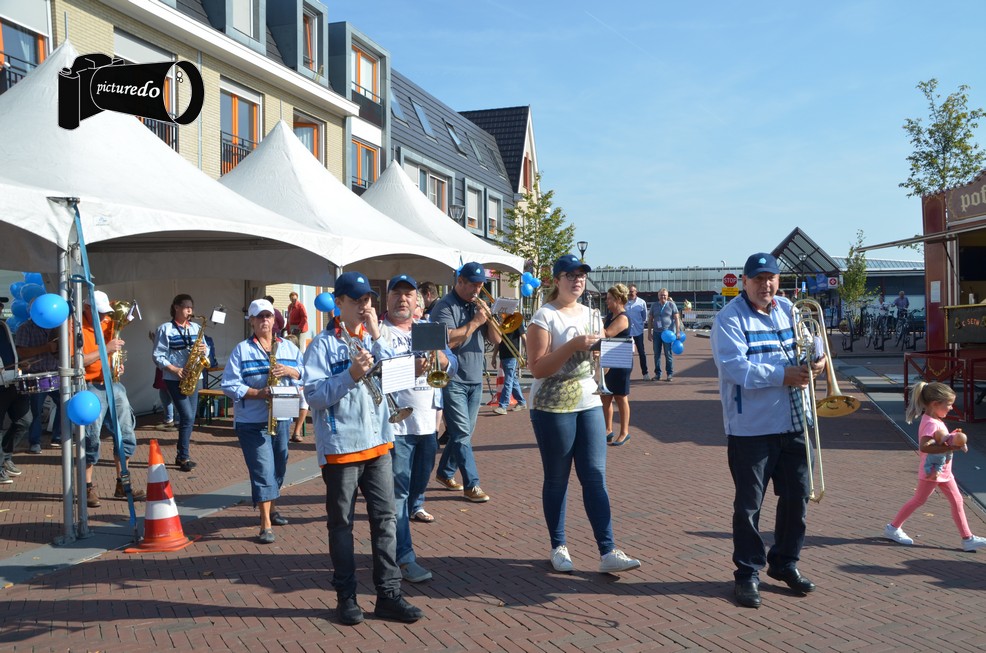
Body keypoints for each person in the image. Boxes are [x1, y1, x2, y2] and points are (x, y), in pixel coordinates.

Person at [303, 271, 422, 625]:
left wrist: (377, 335)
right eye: (356, 300)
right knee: (341, 526)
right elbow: (314, 396)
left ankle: (388, 595)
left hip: (379, 442)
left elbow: (396, 376)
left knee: (386, 521)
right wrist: (350, 375)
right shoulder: (322, 345)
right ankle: (346, 598)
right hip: (342, 447)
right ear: (338, 303)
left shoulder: (375, 338)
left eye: (367, 300)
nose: (363, 306)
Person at [711, 252, 825, 609]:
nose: (765, 285)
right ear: (745, 281)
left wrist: (819, 359)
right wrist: (783, 375)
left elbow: (812, 344)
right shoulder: (728, 319)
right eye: (758, 279)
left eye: (771, 278)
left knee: (797, 498)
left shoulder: (789, 309)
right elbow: (735, 368)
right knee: (749, 506)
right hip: (752, 428)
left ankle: (785, 562)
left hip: (795, 421)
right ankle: (747, 573)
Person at [526, 254, 642, 575]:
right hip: (552, 405)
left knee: (594, 475)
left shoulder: (592, 314)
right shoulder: (544, 316)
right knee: (557, 477)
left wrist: (616, 352)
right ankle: (558, 546)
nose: (577, 280)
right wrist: (573, 345)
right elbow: (537, 368)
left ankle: (608, 549)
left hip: (589, 398)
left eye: (581, 275)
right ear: (557, 280)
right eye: (570, 275)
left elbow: (599, 363)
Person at [379, 274, 457, 584]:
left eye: (408, 295)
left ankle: (391, 543)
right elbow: (377, 374)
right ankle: (405, 557)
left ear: (417, 301)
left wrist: (443, 360)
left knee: (415, 491)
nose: (402, 299)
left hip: (428, 425)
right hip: (397, 427)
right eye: (396, 293)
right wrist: (409, 369)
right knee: (398, 493)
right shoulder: (380, 333)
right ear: (388, 299)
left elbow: (453, 364)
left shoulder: (428, 328)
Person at [222, 299, 303, 544]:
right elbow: (229, 384)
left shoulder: (289, 348)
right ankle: (265, 523)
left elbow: (307, 375)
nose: (264, 320)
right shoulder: (242, 350)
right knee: (263, 469)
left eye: (268, 316)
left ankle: (272, 509)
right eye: (259, 317)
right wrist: (258, 393)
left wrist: (290, 371)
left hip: (282, 415)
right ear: (252, 322)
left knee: (279, 465)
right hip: (252, 420)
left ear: (275, 320)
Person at [882, 381, 986, 551]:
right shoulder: (931, 423)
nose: (951, 408)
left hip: (944, 471)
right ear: (935, 404)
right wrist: (951, 447)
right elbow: (924, 446)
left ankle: (968, 539)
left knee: (957, 500)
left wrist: (952, 438)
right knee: (919, 500)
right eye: (949, 404)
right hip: (932, 471)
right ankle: (892, 528)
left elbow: (939, 440)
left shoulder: (934, 419)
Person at [431, 262, 501, 503]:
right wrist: (476, 322)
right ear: (459, 281)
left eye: (480, 286)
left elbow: (497, 339)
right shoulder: (444, 306)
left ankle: (445, 472)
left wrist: (489, 319)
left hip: (475, 378)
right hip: (454, 379)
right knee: (461, 432)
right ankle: (472, 484)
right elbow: (447, 341)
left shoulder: (478, 306)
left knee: (465, 433)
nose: (477, 290)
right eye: (473, 284)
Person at [81, 290, 145, 507]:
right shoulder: (75, 327)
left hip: (112, 383)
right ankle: (87, 487)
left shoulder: (108, 321)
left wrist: (116, 361)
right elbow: (74, 361)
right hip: (89, 385)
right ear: (87, 308)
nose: (104, 317)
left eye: (104, 312)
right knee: (91, 437)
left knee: (126, 433)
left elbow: (114, 347)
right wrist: (105, 349)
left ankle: (123, 484)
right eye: (99, 312)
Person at [153, 293, 210, 472]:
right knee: (187, 416)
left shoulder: (196, 328)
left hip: (194, 377)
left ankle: (182, 455)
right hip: (174, 378)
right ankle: (183, 456)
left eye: (191, 308)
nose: (190, 311)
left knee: (190, 417)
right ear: (176, 307)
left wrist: (204, 350)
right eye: (186, 308)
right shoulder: (165, 329)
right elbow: (157, 355)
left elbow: (206, 351)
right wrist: (174, 369)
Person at [14, 309, 61, 453]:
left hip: (56, 374)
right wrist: (46, 348)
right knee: (35, 411)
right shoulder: (25, 328)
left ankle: (58, 437)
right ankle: (35, 442)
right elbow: (21, 352)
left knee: (65, 405)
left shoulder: (57, 326)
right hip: (35, 376)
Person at [0, 309, 29, 485]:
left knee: (24, 421)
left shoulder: (3, 327)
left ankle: (5, 456)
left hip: (12, 381)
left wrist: (19, 363)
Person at [601, 284, 632, 446]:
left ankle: (624, 432)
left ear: (619, 299)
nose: (607, 301)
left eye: (609, 299)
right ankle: (608, 430)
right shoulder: (609, 316)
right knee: (606, 396)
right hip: (609, 358)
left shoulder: (623, 318)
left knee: (620, 396)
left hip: (621, 359)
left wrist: (595, 324)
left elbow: (607, 333)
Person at [491, 312, 527, 415]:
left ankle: (503, 406)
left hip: (512, 355)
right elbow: (498, 341)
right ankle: (521, 402)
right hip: (503, 355)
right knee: (512, 379)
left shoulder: (517, 321)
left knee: (508, 380)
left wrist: (527, 354)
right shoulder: (502, 323)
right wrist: (494, 357)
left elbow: (524, 338)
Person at [647, 288, 681, 382]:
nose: (663, 297)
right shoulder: (654, 305)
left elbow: (677, 318)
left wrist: (677, 331)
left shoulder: (671, 305)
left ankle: (669, 374)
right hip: (657, 333)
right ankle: (657, 374)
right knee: (656, 354)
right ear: (658, 296)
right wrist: (649, 333)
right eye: (661, 295)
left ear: (667, 295)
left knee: (668, 354)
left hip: (668, 334)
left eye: (664, 295)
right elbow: (650, 319)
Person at [284, 334, 310, 443]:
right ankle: (284, 430)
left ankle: (297, 431)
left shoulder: (299, 356)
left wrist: (301, 385)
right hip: (285, 386)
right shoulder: (281, 355)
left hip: (298, 386)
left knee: (304, 399)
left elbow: (303, 373)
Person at [625, 284, 649, 379]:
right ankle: (626, 374)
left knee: (641, 352)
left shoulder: (642, 303)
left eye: (632, 291)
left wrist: (639, 324)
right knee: (627, 353)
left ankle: (645, 373)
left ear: (636, 292)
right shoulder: (623, 302)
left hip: (638, 331)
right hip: (627, 331)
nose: (630, 293)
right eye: (629, 291)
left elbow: (644, 317)